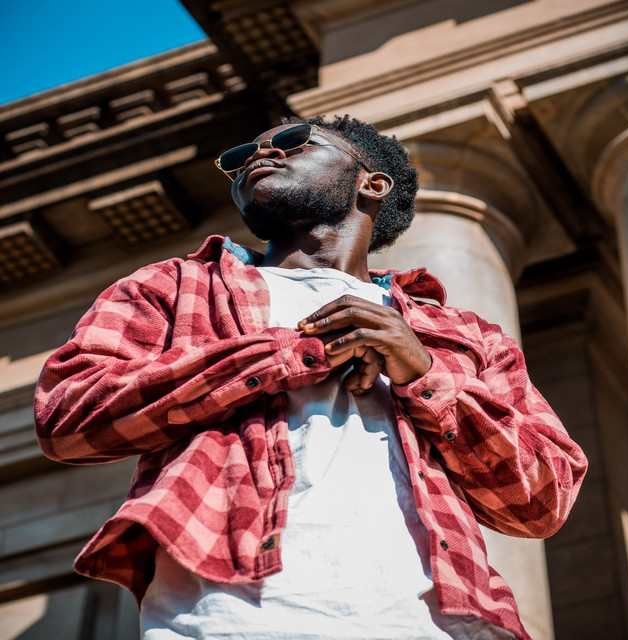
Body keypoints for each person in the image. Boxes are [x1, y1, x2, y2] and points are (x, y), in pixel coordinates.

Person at [34, 114, 587, 640]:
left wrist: (423, 372)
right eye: (242, 156)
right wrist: (289, 354)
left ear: (373, 184)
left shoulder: (465, 334)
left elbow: (543, 498)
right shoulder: (175, 286)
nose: (260, 155)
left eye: (293, 141)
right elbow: (68, 413)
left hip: (440, 624)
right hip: (236, 616)